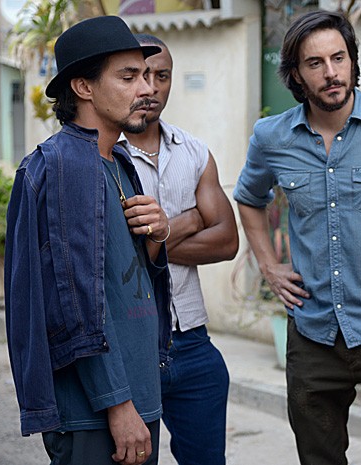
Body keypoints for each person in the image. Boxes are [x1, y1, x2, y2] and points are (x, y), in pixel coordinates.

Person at [233, 10, 361, 465]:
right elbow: (249, 198)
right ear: (296, 75)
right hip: (311, 329)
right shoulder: (271, 137)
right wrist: (268, 264)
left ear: (353, 61)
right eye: (315, 63)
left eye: (339, 58)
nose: (331, 73)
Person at [4, 16, 173, 465]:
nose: (147, 89)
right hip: (94, 412)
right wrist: (116, 404)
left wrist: (157, 235)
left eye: (148, 75)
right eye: (128, 76)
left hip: (136, 395)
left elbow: (122, 277)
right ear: (83, 87)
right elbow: (71, 302)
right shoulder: (62, 166)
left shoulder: (118, 159)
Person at [119, 34, 238, 465]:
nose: (149, 88)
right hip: (129, 347)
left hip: (192, 341)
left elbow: (227, 240)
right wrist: (191, 220)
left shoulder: (193, 152)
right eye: (138, 75)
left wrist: (160, 233)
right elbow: (121, 260)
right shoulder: (102, 154)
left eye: (161, 76)